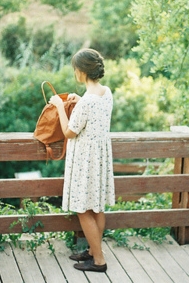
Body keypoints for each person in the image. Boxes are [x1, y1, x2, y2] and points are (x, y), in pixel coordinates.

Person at [48, 48, 115, 273]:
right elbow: (92, 116)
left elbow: (69, 131)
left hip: (85, 161)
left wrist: (59, 106)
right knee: (97, 207)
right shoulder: (106, 93)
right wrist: (78, 101)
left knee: (83, 209)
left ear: (81, 72)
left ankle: (98, 260)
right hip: (99, 159)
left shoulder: (86, 102)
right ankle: (93, 251)